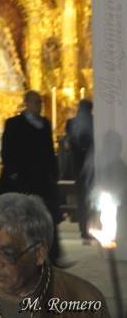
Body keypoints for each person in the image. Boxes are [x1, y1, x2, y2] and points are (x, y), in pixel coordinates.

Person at [0, 90, 63, 264]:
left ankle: (53, 255)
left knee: (47, 216)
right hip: (21, 179)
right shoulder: (14, 123)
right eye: (36, 102)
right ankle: (18, 254)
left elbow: (49, 151)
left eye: (40, 102)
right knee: (20, 218)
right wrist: (13, 172)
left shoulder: (45, 124)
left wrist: (54, 172)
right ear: (27, 103)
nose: (39, 106)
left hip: (42, 178)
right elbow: (7, 149)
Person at [66, 99, 94, 242]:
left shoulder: (72, 123)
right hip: (87, 165)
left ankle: (85, 229)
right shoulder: (92, 122)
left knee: (84, 199)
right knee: (86, 198)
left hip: (82, 165)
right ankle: (87, 228)